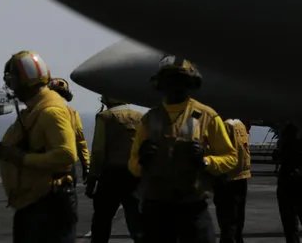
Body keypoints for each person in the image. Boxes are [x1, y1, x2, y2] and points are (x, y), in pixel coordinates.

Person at [129, 55, 238, 243]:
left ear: (189, 83)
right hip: (156, 207)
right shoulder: (149, 119)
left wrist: (205, 161)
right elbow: (132, 164)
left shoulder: (207, 116)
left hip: (192, 207)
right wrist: (142, 161)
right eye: (169, 79)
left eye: (179, 79)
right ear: (160, 84)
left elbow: (230, 157)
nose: (173, 85)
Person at [0, 50, 79, 243]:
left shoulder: (50, 111)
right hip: (35, 202)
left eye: (13, 80)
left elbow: (66, 154)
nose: (11, 86)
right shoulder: (36, 108)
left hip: (47, 206)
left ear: (25, 80)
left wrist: (19, 157)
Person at [84, 95, 144, 243]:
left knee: (101, 222)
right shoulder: (140, 116)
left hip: (111, 176)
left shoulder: (105, 117)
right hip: (135, 176)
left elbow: (98, 151)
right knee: (137, 223)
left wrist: (92, 179)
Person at [213, 119, 251, 243]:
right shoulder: (240, 124)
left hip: (227, 178)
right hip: (241, 175)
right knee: (238, 221)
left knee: (227, 223)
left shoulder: (223, 125)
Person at [48, 77, 91, 182]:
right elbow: (80, 141)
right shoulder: (72, 113)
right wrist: (86, 165)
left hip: (44, 168)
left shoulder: (39, 112)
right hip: (67, 168)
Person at [276, 121, 302, 243]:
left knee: (290, 226)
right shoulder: (297, 146)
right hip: (295, 182)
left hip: (286, 185)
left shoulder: (283, 148)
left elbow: (277, 158)